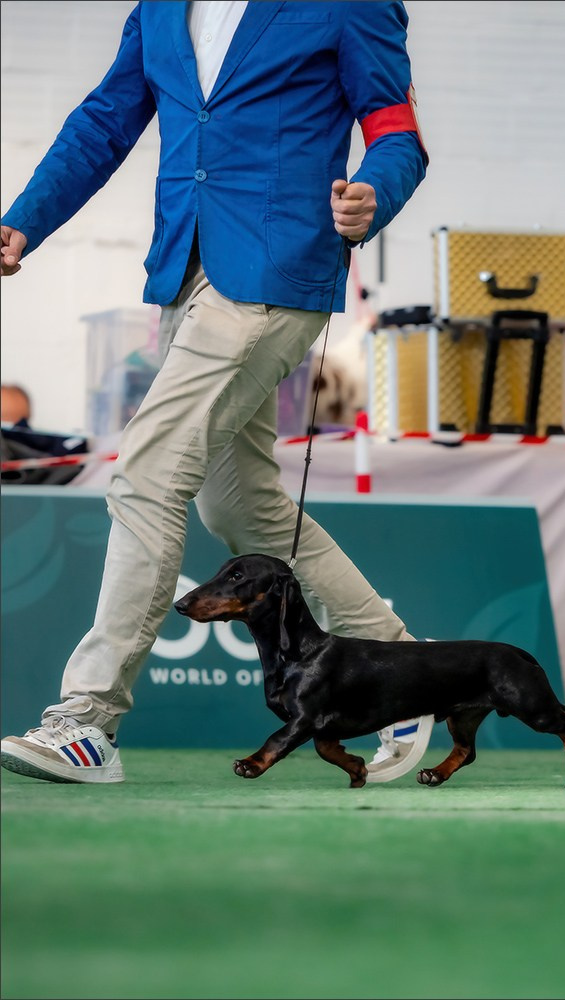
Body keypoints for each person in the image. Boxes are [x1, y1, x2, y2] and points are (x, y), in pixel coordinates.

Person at [0, 1, 433, 784]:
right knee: (239, 506)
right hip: (185, 273)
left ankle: (87, 721)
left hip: (277, 269)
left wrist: (374, 191)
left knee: (148, 473)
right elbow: (105, 121)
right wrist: (24, 220)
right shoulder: (158, 8)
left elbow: (396, 130)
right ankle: (402, 671)